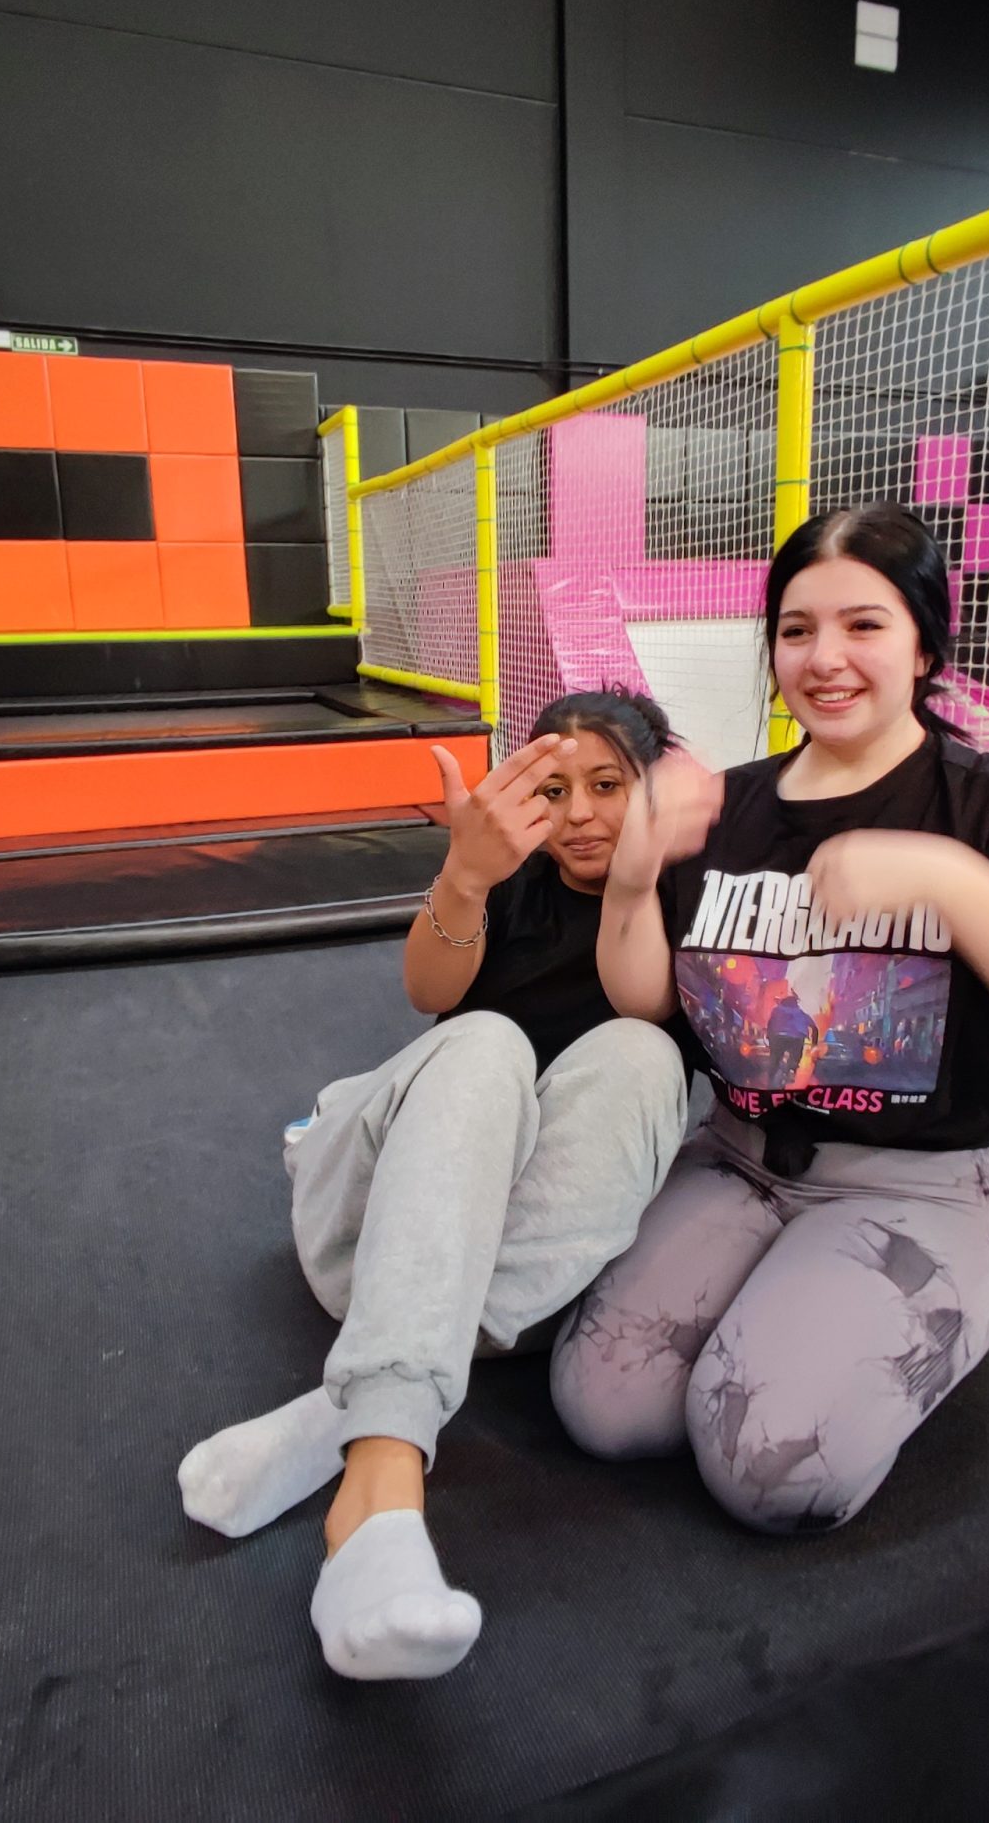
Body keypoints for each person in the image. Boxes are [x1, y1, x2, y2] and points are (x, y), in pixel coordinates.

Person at [551, 502, 989, 1533]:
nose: (824, 657)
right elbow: (644, 999)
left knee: (768, 1470)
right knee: (603, 1407)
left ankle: (956, 1285)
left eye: (863, 624)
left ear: (924, 646)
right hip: (738, 1156)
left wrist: (946, 878)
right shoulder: (728, 806)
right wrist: (635, 876)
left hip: (919, 1184)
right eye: (796, 629)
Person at [178, 690, 692, 1681]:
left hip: (508, 1285)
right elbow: (428, 993)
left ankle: (354, 1420)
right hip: (384, 1232)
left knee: (644, 1055)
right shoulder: (507, 874)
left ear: (653, 789)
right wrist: (464, 873)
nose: (581, 814)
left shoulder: (683, 896)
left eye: (608, 785)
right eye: (553, 790)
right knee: (487, 1043)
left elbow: (652, 1006)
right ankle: (379, 1486)